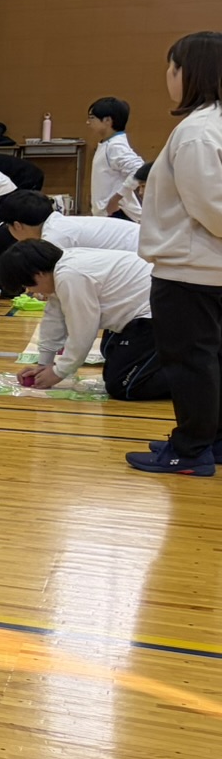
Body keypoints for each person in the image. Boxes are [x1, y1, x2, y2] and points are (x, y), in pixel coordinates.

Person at [130, 31, 222, 475]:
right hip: (205, 267)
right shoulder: (211, 126)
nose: (168, 76)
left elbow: (211, 207)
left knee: (190, 363)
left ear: (192, 73)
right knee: (210, 359)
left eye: (172, 68)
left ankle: (190, 450)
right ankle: (210, 440)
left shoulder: (198, 132)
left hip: (191, 270)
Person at [0, 240, 166, 402]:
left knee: (123, 385)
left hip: (157, 312)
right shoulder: (60, 269)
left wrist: (58, 372)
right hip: (143, 310)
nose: (31, 291)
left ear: (39, 274)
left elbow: (82, 332)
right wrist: (44, 364)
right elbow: (53, 319)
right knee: (109, 351)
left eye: (28, 286)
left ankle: (182, 377)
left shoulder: (70, 276)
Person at [0, 190, 141, 254]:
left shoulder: (54, 238)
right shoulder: (58, 224)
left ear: (17, 225)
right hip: (139, 245)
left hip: (139, 255)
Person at [88, 96, 145, 220]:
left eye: (92, 118)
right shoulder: (107, 144)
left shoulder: (115, 146)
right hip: (108, 215)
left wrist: (116, 198)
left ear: (107, 120)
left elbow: (139, 169)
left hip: (118, 214)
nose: (88, 122)